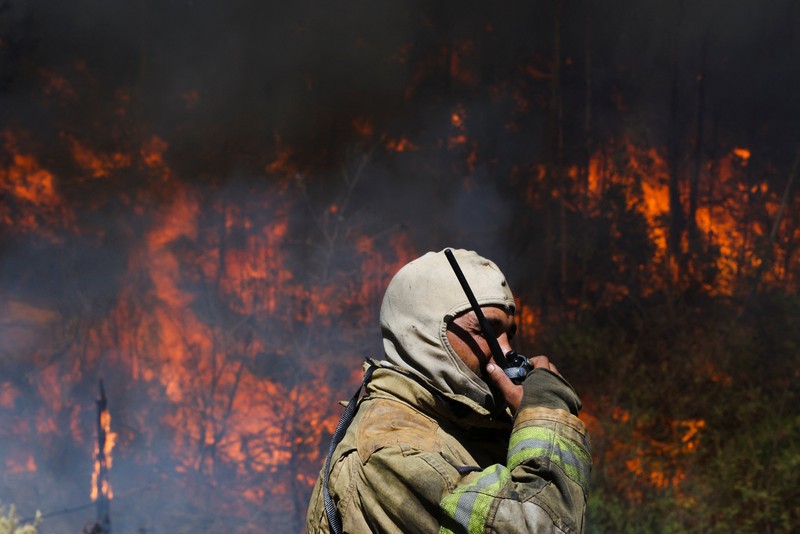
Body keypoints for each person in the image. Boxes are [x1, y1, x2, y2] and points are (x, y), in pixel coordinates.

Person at [306, 248, 591, 533]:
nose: (506, 351)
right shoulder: (393, 450)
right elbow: (544, 526)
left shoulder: (462, 428)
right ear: (426, 334)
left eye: (509, 334)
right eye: (485, 331)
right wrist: (547, 416)